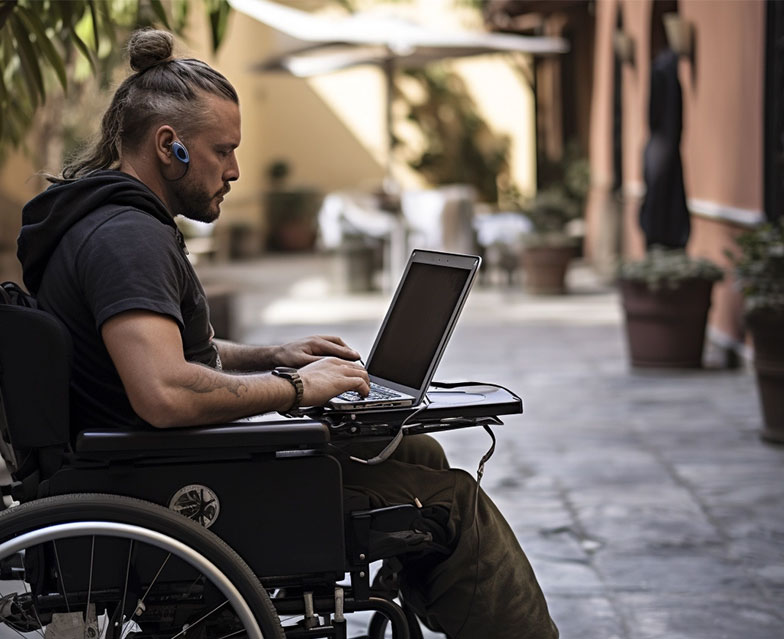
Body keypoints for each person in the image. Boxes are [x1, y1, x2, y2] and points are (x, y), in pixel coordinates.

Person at [17, 29, 558, 639]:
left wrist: (272, 355)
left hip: (148, 460)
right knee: (451, 500)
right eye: (222, 150)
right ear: (171, 147)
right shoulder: (127, 238)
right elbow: (163, 390)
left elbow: (163, 353)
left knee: (417, 453)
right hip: (167, 480)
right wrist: (297, 389)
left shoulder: (104, 220)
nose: (236, 170)